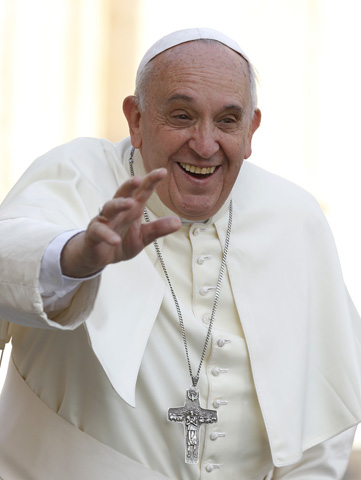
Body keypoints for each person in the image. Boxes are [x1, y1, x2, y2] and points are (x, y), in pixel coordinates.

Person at [0, 27, 360, 480]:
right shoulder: (78, 173)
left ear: (251, 131)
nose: (205, 145)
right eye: (181, 115)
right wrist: (75, 259)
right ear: (135, 119)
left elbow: (322, 422)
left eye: (228, 121)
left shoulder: (294, 218)